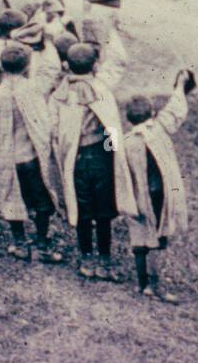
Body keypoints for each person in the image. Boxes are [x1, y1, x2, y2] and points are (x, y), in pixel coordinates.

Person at [46, 42, 137, 282]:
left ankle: (86, 257)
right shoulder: (101, 90)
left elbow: (53, 129)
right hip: (99, 156)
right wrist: (109, 153)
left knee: (82, 206)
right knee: (104, 210)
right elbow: (112, 126)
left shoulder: (59, 95)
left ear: (67, 65)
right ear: (95, 65)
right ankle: (104, 260)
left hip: (74, 158)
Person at [0, 43, 65, 264]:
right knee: (41, 200)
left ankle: (19, 242)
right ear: (27, 66)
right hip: (30, 157)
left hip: (5, 158)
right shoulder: (32, 90)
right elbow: (43, 121)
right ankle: (42, 243)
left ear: (2, 66)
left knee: (11, 197)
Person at [123, 70, 193, 302]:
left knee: (140, 236)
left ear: (129, 119)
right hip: (160, 194)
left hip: (137, 198)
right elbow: (175, 110)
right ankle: (154, 285)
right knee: (159, 237)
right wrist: (181, 84)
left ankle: (142, 284)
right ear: (152, 114)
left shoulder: (126, 142)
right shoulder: (160, 128)